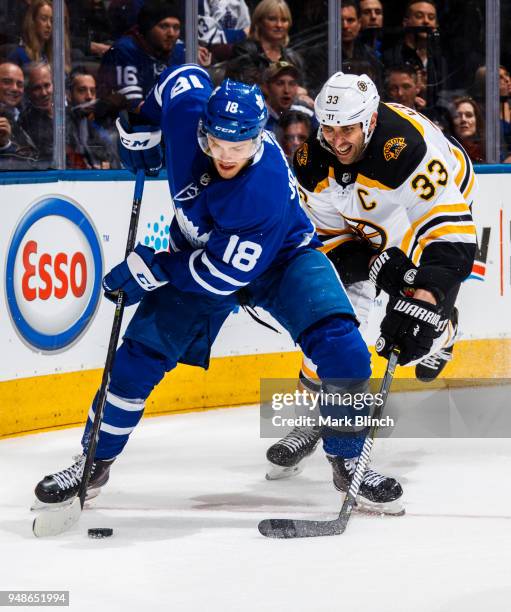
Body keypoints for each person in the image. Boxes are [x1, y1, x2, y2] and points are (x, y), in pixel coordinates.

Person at [33, 65, 403, 517]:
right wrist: (145, 127)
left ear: (259, 138)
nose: (226, 156)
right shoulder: (188, 113)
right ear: (202, 129)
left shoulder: (259, 189)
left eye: (240, 146)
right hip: (199, 252)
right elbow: (180, 77)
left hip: (282, 261)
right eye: (216, 144)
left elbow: (219, 276)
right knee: (135, 360)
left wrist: (154, 269)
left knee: (344, 350)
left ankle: (348, 459)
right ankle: (93, 462)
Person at [266, 71, 476, 479]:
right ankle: (312, 418)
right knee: (331, 314)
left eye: (347, 128)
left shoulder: (409, 151)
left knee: (417, 314)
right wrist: (376, 264)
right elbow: (328, 243)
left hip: (426, 195)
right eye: (328, 128)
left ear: (370, 122)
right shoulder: (311, 161)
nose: (337, 140)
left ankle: (445, 332)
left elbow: (450, 236)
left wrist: (427, 298)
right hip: (367, 211)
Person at [97, 0, 211, 117]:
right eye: (164, 26)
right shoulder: (124, 51)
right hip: (124, 128)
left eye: (176, 27)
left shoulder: (179, 51)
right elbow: (135, 106)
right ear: (147, 28)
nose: (171, 33)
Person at [223, 0, 304, 87]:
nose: (279, 25)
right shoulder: (244, 50)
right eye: (272, 19)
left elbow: (303, 87)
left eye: (284, 20)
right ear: (259, 22)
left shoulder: (293, 58)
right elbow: (245, 87)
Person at [383, 1, 446, 110]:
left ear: (436, 25)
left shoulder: (440, 61)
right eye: (419, 16)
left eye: (431, 17)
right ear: (406, 22)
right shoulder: (390, 57)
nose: (426, 21)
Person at [66, 67, 119, 169]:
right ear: (69, 95)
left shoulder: (101, 126)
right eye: (82, 90)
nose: (89, 96)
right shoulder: (61, 127)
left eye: (93, 91)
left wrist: (108, 165)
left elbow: (113, 160)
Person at [8, 0, 72, 74]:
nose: (49, 25)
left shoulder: (53, 55)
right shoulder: (19, 55)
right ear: (33, 21)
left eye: (52, 21)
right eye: (44, 19)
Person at [0, 61, 39, 168]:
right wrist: (4, 146)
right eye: (7, 82)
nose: (14, 88)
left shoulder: (25, 116)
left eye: (20, 84)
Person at [261, 60, 315, 133]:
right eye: (280, 83)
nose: (286, 90)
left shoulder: (306, 113)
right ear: (266, 87)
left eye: (292, 84)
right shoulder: (254, 118)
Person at [19, 62, 54, 166]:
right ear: (28, 92)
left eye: (47, 85)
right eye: (37, 88)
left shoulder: (67, 113)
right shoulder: (26, 121)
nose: (44, 93)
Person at [449, 96, 485, 164]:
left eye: (469, 115)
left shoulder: (488, 150)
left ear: (477, 120)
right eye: (458, 116)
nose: (463, 119)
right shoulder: (446, 151)